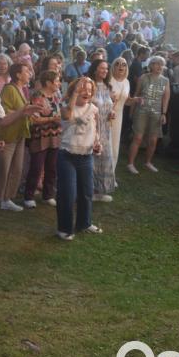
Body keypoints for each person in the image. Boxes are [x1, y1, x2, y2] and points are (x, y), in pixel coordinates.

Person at [56, 77, 103, 240]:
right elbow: (68, 117)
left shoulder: (94, 109)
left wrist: (97, 144)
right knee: (67, 194)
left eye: (90, 90)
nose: (87, 92)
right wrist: (75, 94)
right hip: (67, 156)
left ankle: (85, 223)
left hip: (86, 156)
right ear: (74, 90)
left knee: (86, 193)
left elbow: (96, 131)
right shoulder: (65, 107)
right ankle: (64, 229)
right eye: (83, 88)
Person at [0, 63, 33, 211]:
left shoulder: (22, 89)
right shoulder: (9, 89)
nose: (29, 73)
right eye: (26, 71)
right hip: (8, 135)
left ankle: (7, 198)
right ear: (18, 74)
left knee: (17, 168)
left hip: (19, 134)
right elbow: (3, 111)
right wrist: (22, 112)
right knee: (4, 169)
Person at [24, 70, 61, 208]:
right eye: (56, 81)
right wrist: (52, 118)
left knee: (52, 167)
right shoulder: (37, 96)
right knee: (36, 167)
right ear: (48, 83)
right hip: (40, 137)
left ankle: (48, 194)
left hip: (55, 136)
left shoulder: (57, 95)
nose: (58, 83)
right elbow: (34, 119)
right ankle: (29, 195)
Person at [127, 56, 170, 174]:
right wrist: (131, 111)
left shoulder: (165, 81)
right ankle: (130, 163)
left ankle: (148, 162)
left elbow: (166, 98)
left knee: (153, 140)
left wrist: (164, 113)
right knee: (138, 138)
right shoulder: (143, 77)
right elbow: (136, 93)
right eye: (156, 64)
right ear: (151, 65)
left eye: (161, 64)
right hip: (141, 111)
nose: (159, 67)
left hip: (156, 113)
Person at [88, 60, 115, 202]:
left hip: (105, 128)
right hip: (92, 127)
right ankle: (89, 190)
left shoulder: (107, 86)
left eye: (106, 68)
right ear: (94, 69)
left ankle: (101, 189)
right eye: (101, 68)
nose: (105, 71)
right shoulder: (89, 85)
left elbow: (109, 105)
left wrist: (112, 113)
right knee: (92, 157)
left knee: (104, 157)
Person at [108, 58, 130, 174]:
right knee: (106, 144)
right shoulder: (109, 80)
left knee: (115, 147)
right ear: (113, 67)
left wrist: (135, 100)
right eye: (117, 64)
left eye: (124, 64)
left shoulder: (127, 82)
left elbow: (126, 100)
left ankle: (111, 174)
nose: (121, 66)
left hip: (119, 116)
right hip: (107, 115)